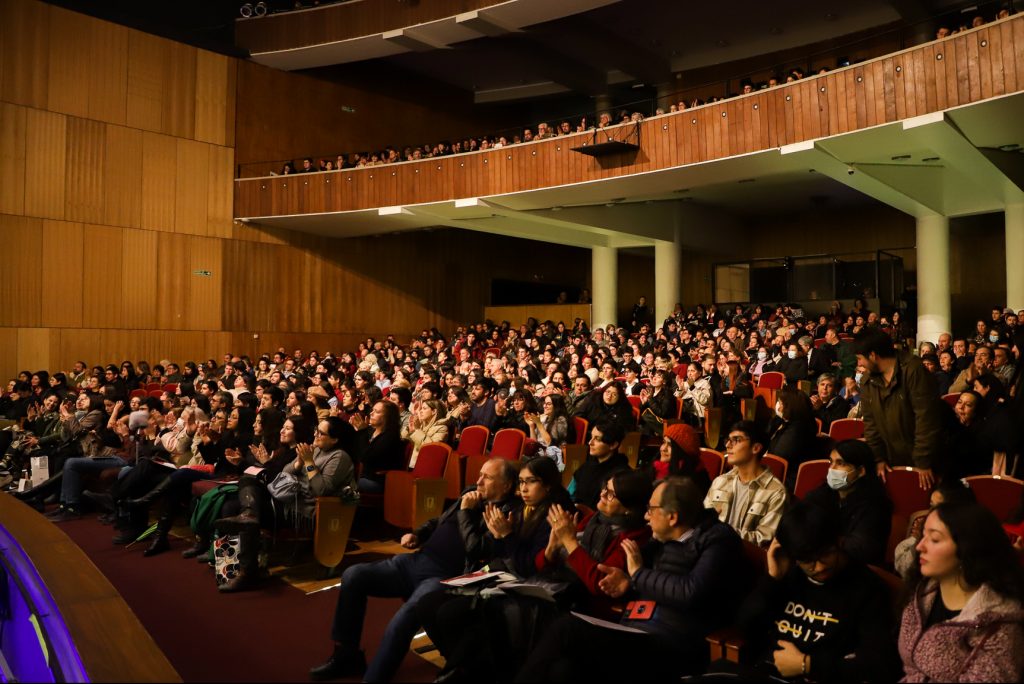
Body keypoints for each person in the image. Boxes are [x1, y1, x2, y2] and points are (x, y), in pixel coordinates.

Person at [515, 477, 753, 682]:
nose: (646, 517)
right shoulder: (660, 539)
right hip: (633, 630)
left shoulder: (718, 540)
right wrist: (626, 581)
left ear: (672, 517)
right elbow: (635, 578)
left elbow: (690, 591)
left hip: (671, 644)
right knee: (563, 670)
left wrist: (637, 575)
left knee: (566, 628)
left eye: (651, 509)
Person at [309, 458, 518, 682]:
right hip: (417, 560)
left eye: (487, 477)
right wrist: (418, 533)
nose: (478, 481)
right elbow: (440, 520)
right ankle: (347, 655)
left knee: (402, 621)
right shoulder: (470, 493)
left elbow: (477, 550)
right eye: (480, 474)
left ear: (506, 485)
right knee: (353, 575)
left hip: (444, 577)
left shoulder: (506, 514)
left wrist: (466, 512)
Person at [731, 501, 902, 682]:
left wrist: (807, 664)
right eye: (807, 561)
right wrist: (771, 580)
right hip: (765, 671)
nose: (819, 566)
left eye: (826, 554)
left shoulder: (867, 587)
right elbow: (744, 628)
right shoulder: (786, 574)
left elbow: (879, 663)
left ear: (839, 541)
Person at [215, 416, 357, 592]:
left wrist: (309, 462)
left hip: (303, 510)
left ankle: (246, 571)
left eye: (321, 433)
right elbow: (285, 472)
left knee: (239, 507)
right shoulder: (316, 450)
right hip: (287, 501)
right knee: (237, 496)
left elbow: (320, 490)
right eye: (316, 430)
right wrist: (298, 462)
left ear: (335, 439)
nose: (316, 435)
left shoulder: (339, 457)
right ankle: (230, 568)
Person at [899, 503, 1024, 682]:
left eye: (934, 539)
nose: (920, 546)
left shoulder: (998, 624)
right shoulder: (923, 593)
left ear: (967, 548)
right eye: (923, 535)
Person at [855, 328, 943, 490]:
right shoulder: (867, 381)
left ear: (873, 355)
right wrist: (879, 458)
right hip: (892, 459)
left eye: (860, 359)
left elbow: (926, 419)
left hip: (927, 460)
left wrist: (923, 460)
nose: (859, 364)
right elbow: (870, 423)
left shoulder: (913, 370)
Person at [803, 439, 892, 566]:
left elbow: (860, 549)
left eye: (840, 463)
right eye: (831, 462)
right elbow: (799, 525)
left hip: (857, 571)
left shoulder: (876, 506)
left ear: (861, 471)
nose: (831, 468)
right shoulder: (820, 494)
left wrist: (818, 539)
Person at [704, 421, 787, 546]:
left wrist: (722, 533)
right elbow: (703, 523)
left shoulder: (776, 491)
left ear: (756, 448)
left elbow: (764, 538)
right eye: (728, 440)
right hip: (711, 549)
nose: (728, 445)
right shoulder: (720, 482)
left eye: (736, 440)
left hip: (746, 559)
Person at [568, 421, 629, 508]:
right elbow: (570, 494)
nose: (590, 442)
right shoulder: (586, 466)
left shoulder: (621, 476)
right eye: (591, 437)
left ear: (613, 445)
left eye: (597, 439)